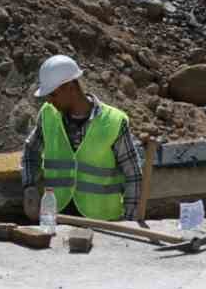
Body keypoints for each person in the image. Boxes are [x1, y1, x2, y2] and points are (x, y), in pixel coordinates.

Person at [21, 54, 143, 222]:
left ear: (70, 87)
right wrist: (29, 186)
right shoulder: (48, 114)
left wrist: (130, 221)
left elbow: (133, 175)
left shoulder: (114, 121)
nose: (49, 100)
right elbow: (31, 151)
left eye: (53, 94)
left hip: (104, 222)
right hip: (58, 217)